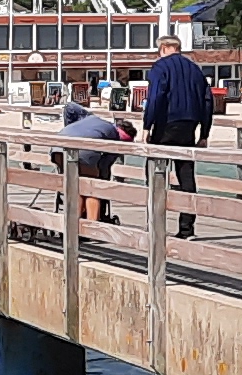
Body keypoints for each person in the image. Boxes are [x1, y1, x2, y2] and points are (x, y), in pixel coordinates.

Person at [143, 34, 216, 237]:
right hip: (189, 127)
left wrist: (147, 125)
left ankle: (155, 223)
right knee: (186, 175)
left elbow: (155, 96)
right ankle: (186, 228)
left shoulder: (160, 67)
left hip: (165, 125)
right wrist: (204, 133)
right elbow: (208, 101)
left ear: (164, 48)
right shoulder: (195, 69)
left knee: (154, 172)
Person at [57, 101, 134, 222]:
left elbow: (70, 106)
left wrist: (70, 127)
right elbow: (105, 166)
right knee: (91, 186)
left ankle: (72, 222)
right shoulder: (115, 137)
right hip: (80, 152)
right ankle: (90, 223)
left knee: (77, 183)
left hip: (57, 147)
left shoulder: (92, 119)